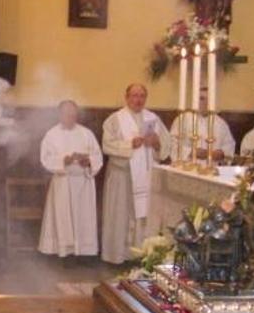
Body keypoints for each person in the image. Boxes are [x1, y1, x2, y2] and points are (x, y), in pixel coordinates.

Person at [101, 84, 171, 264]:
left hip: (146, 177)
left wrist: (156, 143)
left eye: (142, 96)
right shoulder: (115, 119)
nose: (138, 100)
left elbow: (165, 146)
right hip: (122, 176)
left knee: (144, 216)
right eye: (134, 95)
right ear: (127, 97)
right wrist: (130, 145)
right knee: (120, 216)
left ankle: (141, 255)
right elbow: (107, 145)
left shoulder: (153, 119)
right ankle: (117, 255)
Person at [38, 100, 103, 259]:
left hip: (83, 183)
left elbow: (97, 156)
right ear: (60, 115)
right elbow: (45, 158)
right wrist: (63, 161)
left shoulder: (86, 133)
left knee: (83, 219)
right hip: (63, 182)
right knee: (63, 219)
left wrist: (88, 162)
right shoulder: (51, 134)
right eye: (67, 114)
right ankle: (63, 252)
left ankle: (83, 252)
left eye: (73, 115)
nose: (71, 118)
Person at [169, 87, 235, 164]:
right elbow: (172, 144)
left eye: (209, 99)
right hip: (187, 167)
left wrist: (220, 154)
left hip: (211, 169)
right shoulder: (183, 119)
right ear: (195, 101)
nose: (206, 102)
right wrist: (192, 152)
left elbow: (229, 146)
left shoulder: (221, 123)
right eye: (202, 98)